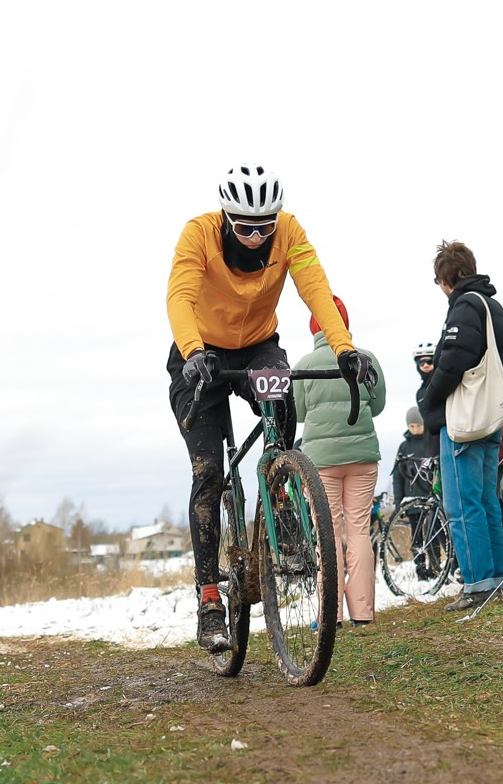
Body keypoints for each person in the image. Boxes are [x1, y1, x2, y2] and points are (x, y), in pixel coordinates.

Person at [165, 165, 373, 649]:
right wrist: (194, 353)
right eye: (245, 227)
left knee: (280, 410)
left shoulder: (290, 233)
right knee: (208, 473)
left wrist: (343, 348)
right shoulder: (198, 234)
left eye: (266, 226)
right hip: (200, 356)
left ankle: (281, 493)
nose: (257, 236)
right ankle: (211, 597)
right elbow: (180, 295)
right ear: (226, 219)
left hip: (258, 346)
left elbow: (315, 287)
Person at [418, 241, 503, 609]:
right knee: (488, 499)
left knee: (462, 505)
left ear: (446, 278)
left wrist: (430, 400)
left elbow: (454, 361)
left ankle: (476, 584)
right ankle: (496, 579)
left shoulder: (464, 307)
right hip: (491, 417)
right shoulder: (493, 305)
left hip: (464, 420)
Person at [297, 295, 387, 625]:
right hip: (362, 455)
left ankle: (330, 614)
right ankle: (363, 613)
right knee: (359, 532)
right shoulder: (367, 358)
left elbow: (300, 413)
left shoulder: (305, 364)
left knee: (328, 535)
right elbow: (377, 407)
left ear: (314, 327)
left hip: (321, 462)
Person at [393, 404, 440, 505]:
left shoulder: (433, 443)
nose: (415, 429)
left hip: (432, 501)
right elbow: (398, 477)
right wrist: (398, 501)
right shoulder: (404, 447)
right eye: (412, 426)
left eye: (419, 426)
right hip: (411, 501)